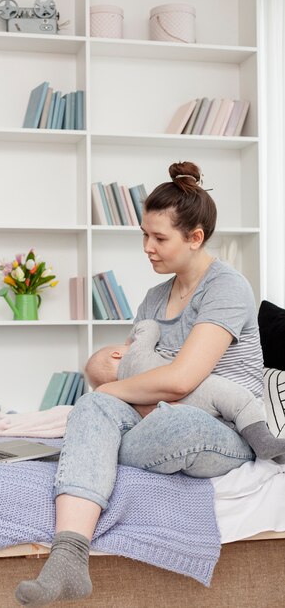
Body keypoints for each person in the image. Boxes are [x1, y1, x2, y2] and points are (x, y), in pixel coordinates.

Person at [15, 161, 265, 606]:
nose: (147, 248)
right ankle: (68, 556)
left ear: (195, 238)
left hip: (221, 428)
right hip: (152, 415)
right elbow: (137, 372)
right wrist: (109, 389)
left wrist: (111, 391)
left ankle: (91, 451)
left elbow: (181, 379)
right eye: (144, 236)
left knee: (161, 420)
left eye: (159, 238)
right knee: (92, 408)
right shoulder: (155, 297)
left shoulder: (227, 287)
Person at [85, 318, 285, 462]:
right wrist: (132, 340)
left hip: (184, 410)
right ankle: (263, 441)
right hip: (199, 390)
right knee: (241, 400)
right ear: (117, 353)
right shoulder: (136, 354)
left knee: (221, 418)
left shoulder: (131, 396)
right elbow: (149, 326)